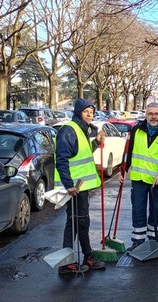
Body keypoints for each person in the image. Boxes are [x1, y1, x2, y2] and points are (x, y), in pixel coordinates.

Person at [54, 98, 107, 274]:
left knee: (80, 222)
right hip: (75, 188)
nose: (90, 114)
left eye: (92, 111)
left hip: (80, 187)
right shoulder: (69, 130)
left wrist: (96, 143)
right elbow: (62, 160)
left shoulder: (81, 130)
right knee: (76, 223)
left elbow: (80, 154)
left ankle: (86, 256)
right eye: (86, 111)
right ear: (78, 113)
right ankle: (68, 262)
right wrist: (69, 185)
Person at [119, 103, 158, 251]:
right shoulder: (136, 130)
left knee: (156, 211)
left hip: (157, 180)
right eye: (150, 113)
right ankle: (138, 242)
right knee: (138, 209)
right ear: (146, 115)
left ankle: (154, 242)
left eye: (157, 114)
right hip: (138, 178)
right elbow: (128, 151)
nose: (154, 116)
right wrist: (123, 170)